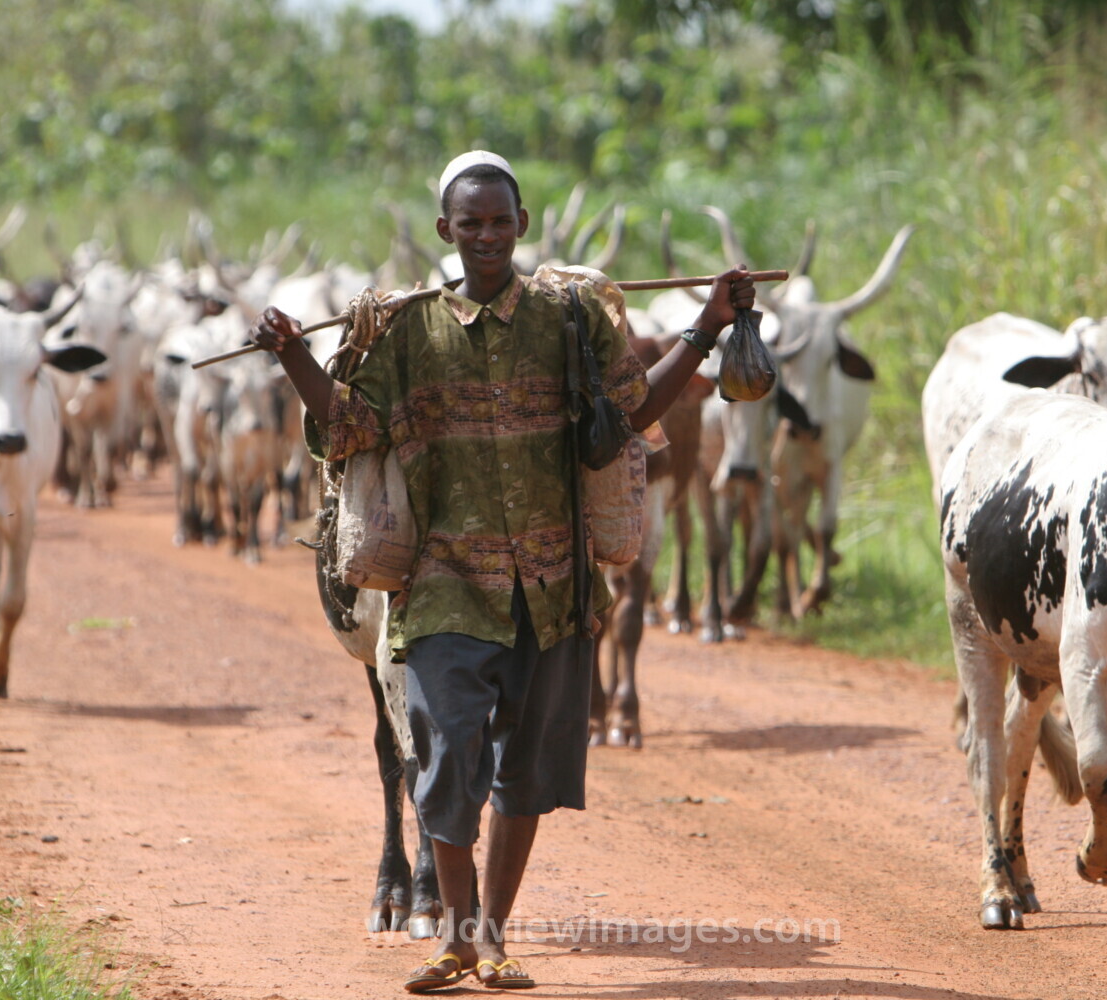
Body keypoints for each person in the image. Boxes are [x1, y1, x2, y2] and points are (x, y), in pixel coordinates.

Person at [250, 150, 754, 992]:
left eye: (499, 221)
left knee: (527, 769)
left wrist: (705, 326)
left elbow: (628, 413)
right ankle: (454, 938)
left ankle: (492, 932)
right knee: (449, 758)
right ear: (444, 232)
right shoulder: (407, 329)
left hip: (555, 587)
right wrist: (294, 357)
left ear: (522, 226)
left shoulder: (569, 315)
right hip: (443, 586)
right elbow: (346, 429)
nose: (485, 235)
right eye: (468, 223)